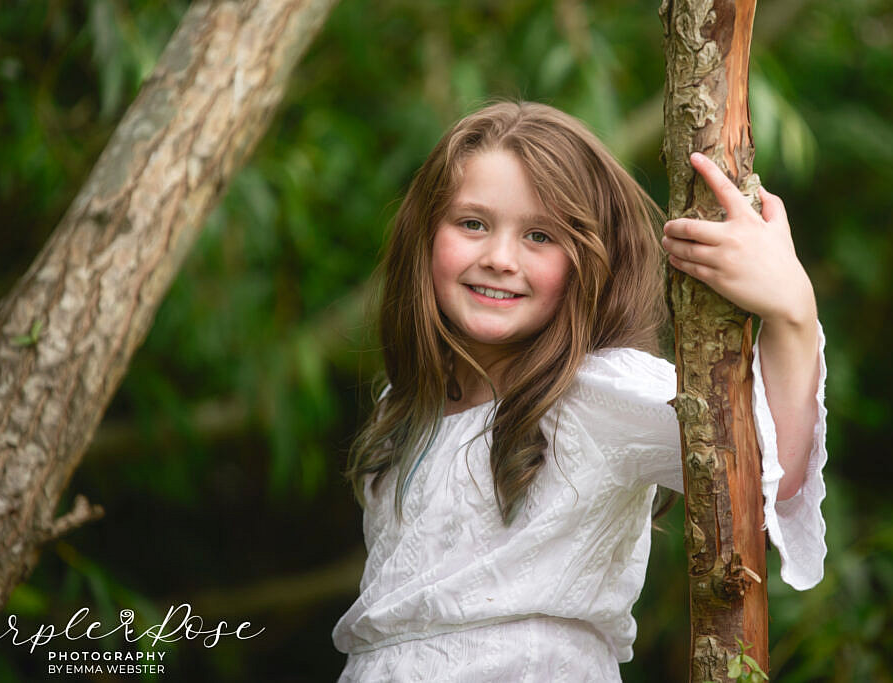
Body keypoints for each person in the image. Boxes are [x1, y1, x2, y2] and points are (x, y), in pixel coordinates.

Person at [332, 101, 826, 681]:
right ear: (424, 234)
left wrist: (792, 312)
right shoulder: (404, 402)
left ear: (591, 260)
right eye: (472, 224)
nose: (498, 258)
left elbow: (766, 477)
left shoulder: (596, 392)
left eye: (540, 235)